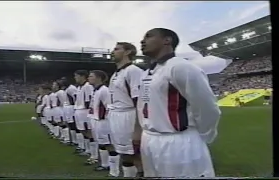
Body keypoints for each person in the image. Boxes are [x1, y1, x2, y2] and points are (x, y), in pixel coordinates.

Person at [138, 28, 221, 178]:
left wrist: (201, 136)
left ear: (167, 40)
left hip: (177, 142)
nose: (142, 41)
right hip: (149, 139)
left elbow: (207, 107)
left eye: (149, 36)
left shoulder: (181, 67)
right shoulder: (147, 72)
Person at [108, 42, 143, 177]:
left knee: (136, 153)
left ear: (128, 52)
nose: (113, 51)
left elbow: (139, 101)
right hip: (116, 116)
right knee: (125, 154)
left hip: (128, 116)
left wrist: (138, 128)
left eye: (116, 49)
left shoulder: (133, 71)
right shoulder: (117, 73)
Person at [87, 70, 114, 170]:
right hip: (96, 120)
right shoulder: (96, 90)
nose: (88, 78)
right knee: (101, 143)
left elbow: (109, 106)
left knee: (109, 144)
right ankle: (105, 164)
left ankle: (114, 169)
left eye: (91, 76)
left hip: (103, 122)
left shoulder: (104, 90)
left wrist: (107, 120)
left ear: (98, 78)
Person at [73, 70, 96, 158]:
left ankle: (93, 154)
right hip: (79, 110)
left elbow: (89, 100)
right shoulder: (79, 87)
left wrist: (89, 111)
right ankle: (87, 150)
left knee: (89, 132)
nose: (75, 78)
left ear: (82, 76)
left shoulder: (87, 86)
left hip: (85, 111)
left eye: (76, 76)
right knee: (83, 132)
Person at [62, 78, 78, 146]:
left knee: (73, 125)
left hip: (71, 107)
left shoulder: (71, 88)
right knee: (71, 125)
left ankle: (76, 141)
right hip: (68, 108)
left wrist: (75, 107)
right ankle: (73, 140)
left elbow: (75, 97)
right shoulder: (67, 88)